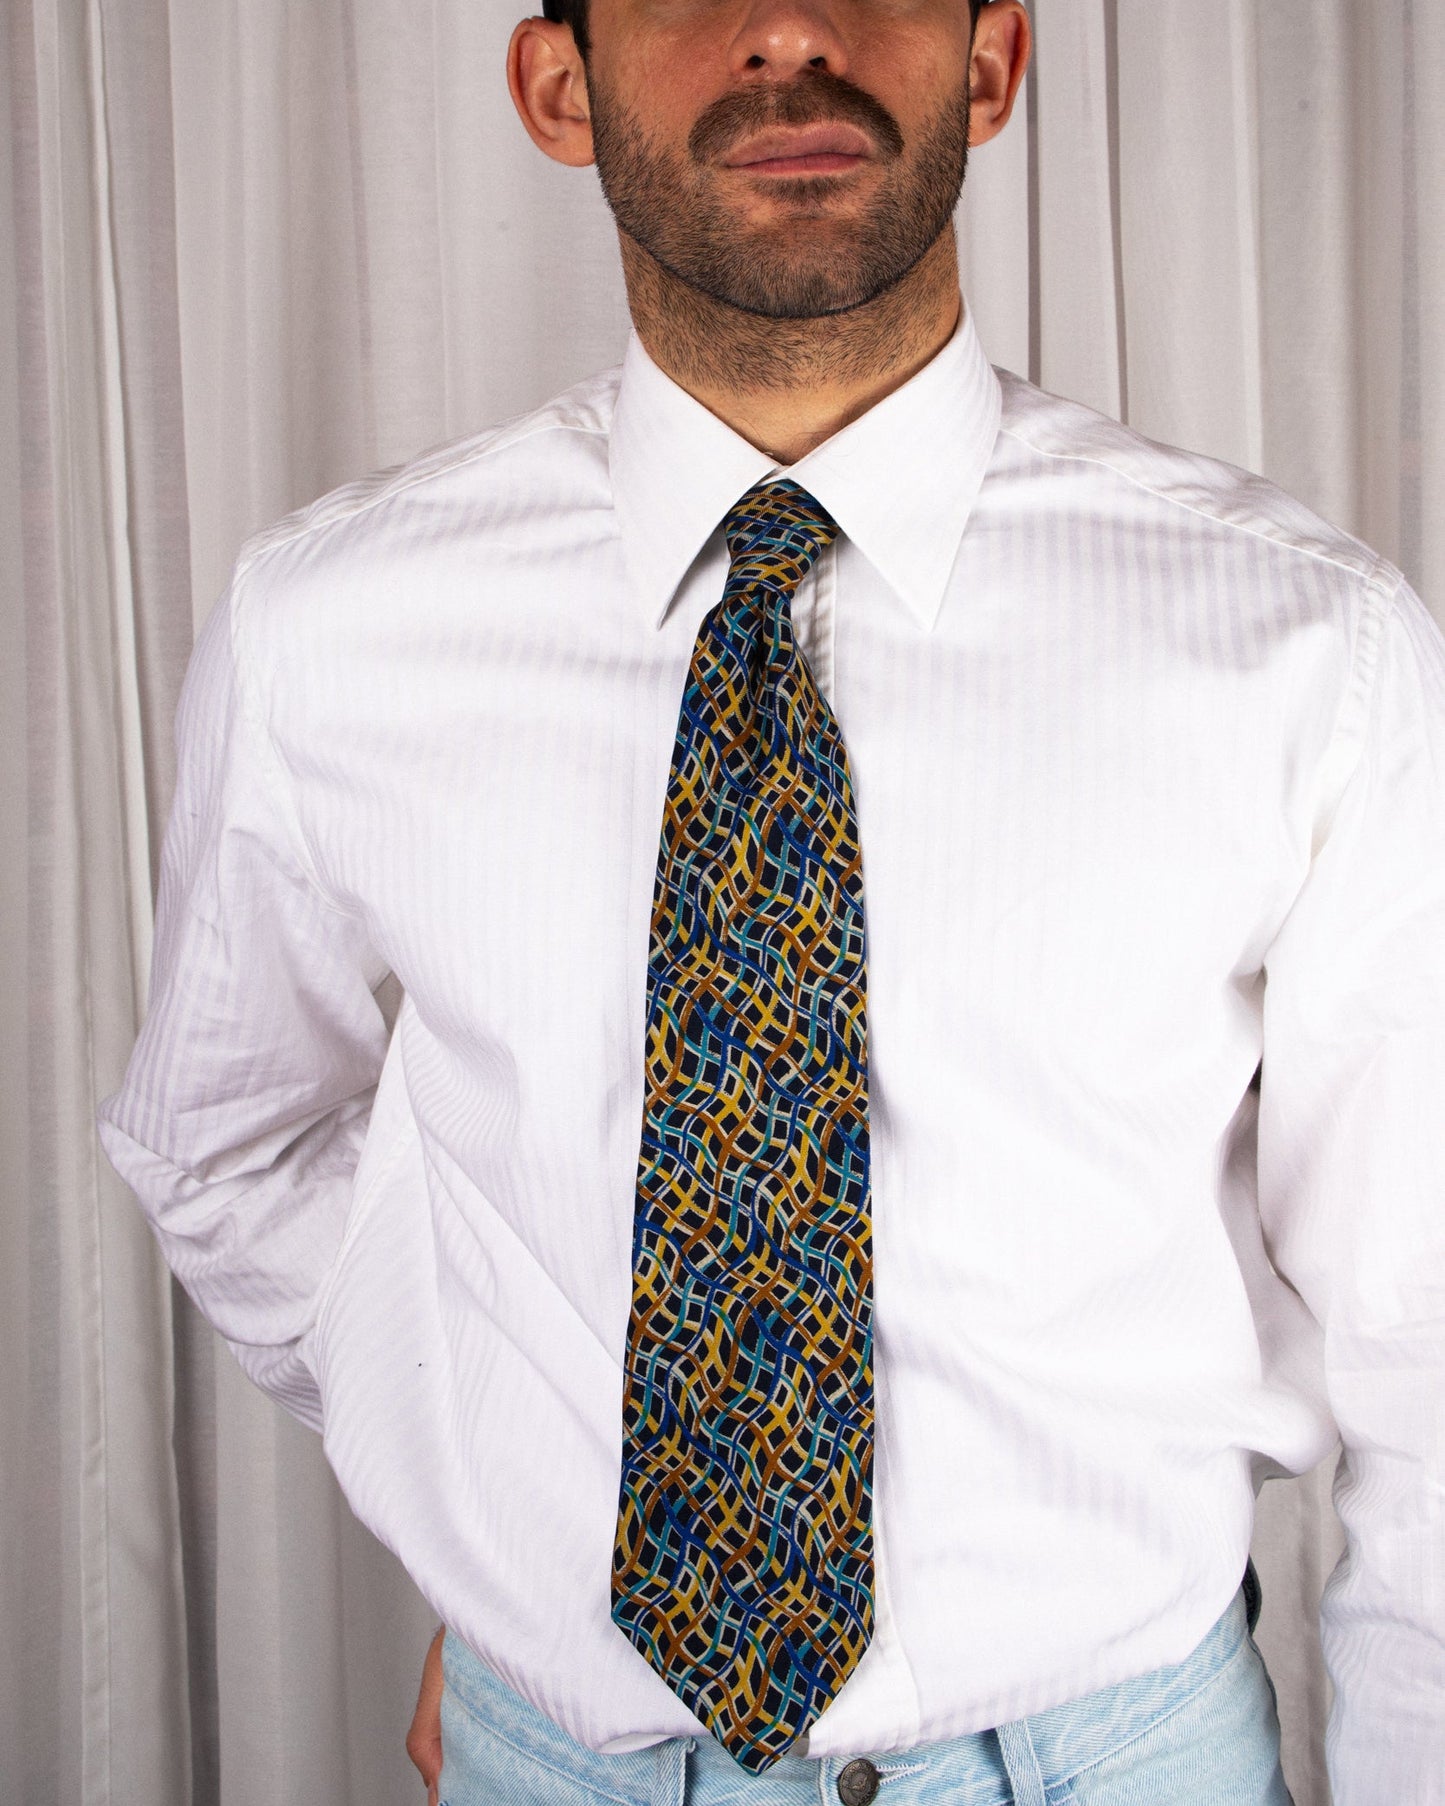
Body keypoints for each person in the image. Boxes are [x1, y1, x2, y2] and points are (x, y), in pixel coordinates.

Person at [100, 0, 1445, 1801]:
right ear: (556, 88)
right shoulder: (330, 631)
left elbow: (1423, 1341)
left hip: (1121, 1754)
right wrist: (509, 1488)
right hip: (552, 1760)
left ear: (988, 62)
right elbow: (226, 1140)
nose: (790, 26)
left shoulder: (1302, 650)